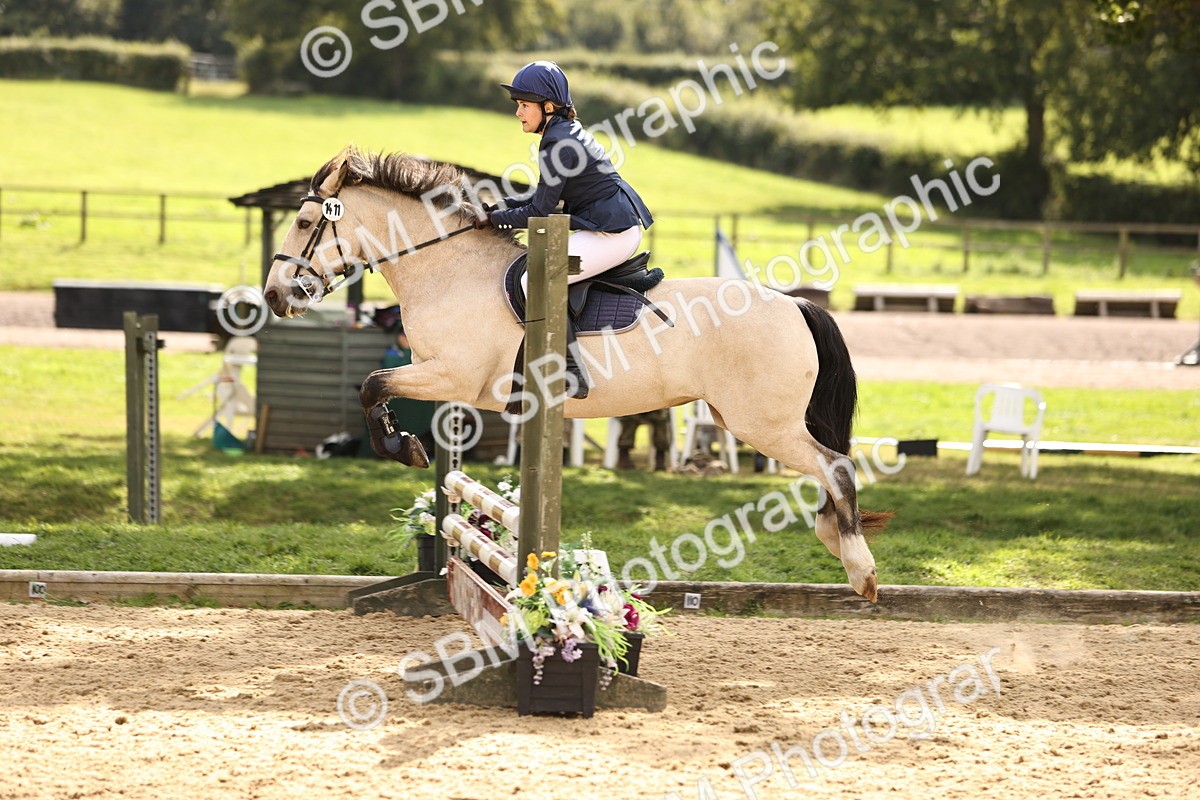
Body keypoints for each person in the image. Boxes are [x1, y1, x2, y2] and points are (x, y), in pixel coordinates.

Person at [477, 60, 655, 399]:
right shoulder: (560, 133)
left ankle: (571, 372)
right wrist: (498, 207)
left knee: (536, 280)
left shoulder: (556, 142)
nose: (518, 113)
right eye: (518, 105)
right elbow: (542, 197)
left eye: (524, 105)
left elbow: (542, 210)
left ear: (548, 107)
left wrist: (494, 220)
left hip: (612, 233)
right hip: (610, 224)